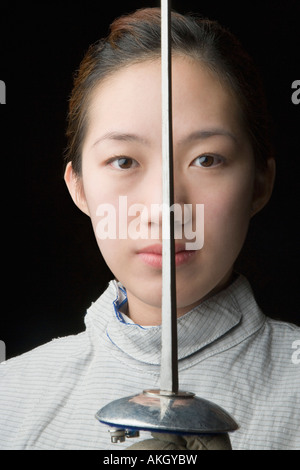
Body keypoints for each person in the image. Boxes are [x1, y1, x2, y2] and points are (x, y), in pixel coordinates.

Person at [0, 7, 299, 450]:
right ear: (78, 187)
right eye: (124, 161)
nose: (165, 208)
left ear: (260, 182)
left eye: (207, 159)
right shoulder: (12, 394)